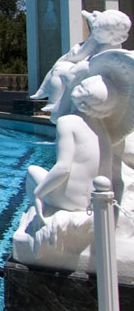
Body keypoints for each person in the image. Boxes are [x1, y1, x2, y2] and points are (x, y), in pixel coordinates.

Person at [26, 74, 113, 219]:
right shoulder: (102, 127)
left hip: (69, 200)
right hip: (95, 199)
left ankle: (38, 217)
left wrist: (38, 193)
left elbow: (63, 168)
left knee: (31, 171)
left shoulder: (67, 122)